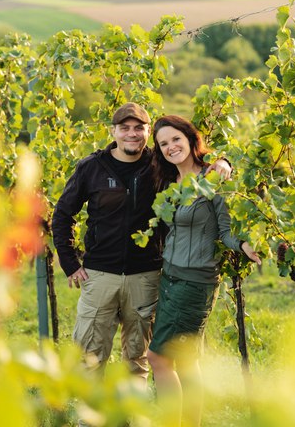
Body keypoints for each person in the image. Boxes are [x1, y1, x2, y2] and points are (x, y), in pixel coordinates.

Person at [51, 103, 232, 383]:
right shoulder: (92, 167)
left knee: (136, 360)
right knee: (89, 356)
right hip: (100, 275)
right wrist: (70, 263)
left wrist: (224, 162)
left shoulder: (160, 167)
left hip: (146, 277)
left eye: (139, 128)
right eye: (125, 128)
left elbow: (196, 168)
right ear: (113, 131)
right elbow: (63, 213)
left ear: (148, 133)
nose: (132, 134)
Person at [146, 115, 261, 426]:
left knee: (158, 358)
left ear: (190, 139)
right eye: (164, 143)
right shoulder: (169, 184)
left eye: (176, 139)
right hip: (169, 278)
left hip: (194, 282)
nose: (171, 147)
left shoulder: (212, 178)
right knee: (183, 360)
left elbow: (225, 231)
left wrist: (245, 246)